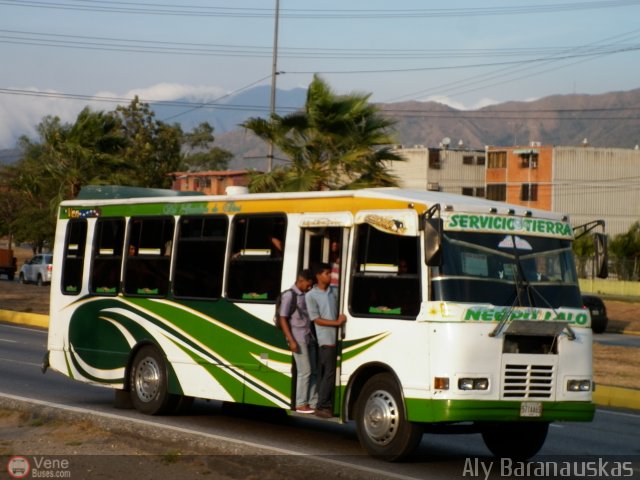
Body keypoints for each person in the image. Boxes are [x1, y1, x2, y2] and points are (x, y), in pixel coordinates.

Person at [305, 263, 347, 418]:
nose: (330, 276)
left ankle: (323, 403)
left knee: (329, 372)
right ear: (318, 276)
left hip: (337, 336)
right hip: (325, 338)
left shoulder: (334, 291)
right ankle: (322, 405)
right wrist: (336, 323)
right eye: (327, 273)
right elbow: (316, 319)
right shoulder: (311, 295)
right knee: (328, 373)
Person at [279, 269, 317, 414]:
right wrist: (291, 340)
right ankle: (301, 403)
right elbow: (283, 318)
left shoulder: (306, 295)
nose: (309, 287)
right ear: (300, 281)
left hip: (309, 337)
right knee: (305, 371)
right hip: (298, 338)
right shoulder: (289, 295)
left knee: (314, 371)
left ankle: (313, 402)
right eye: (308, 284)